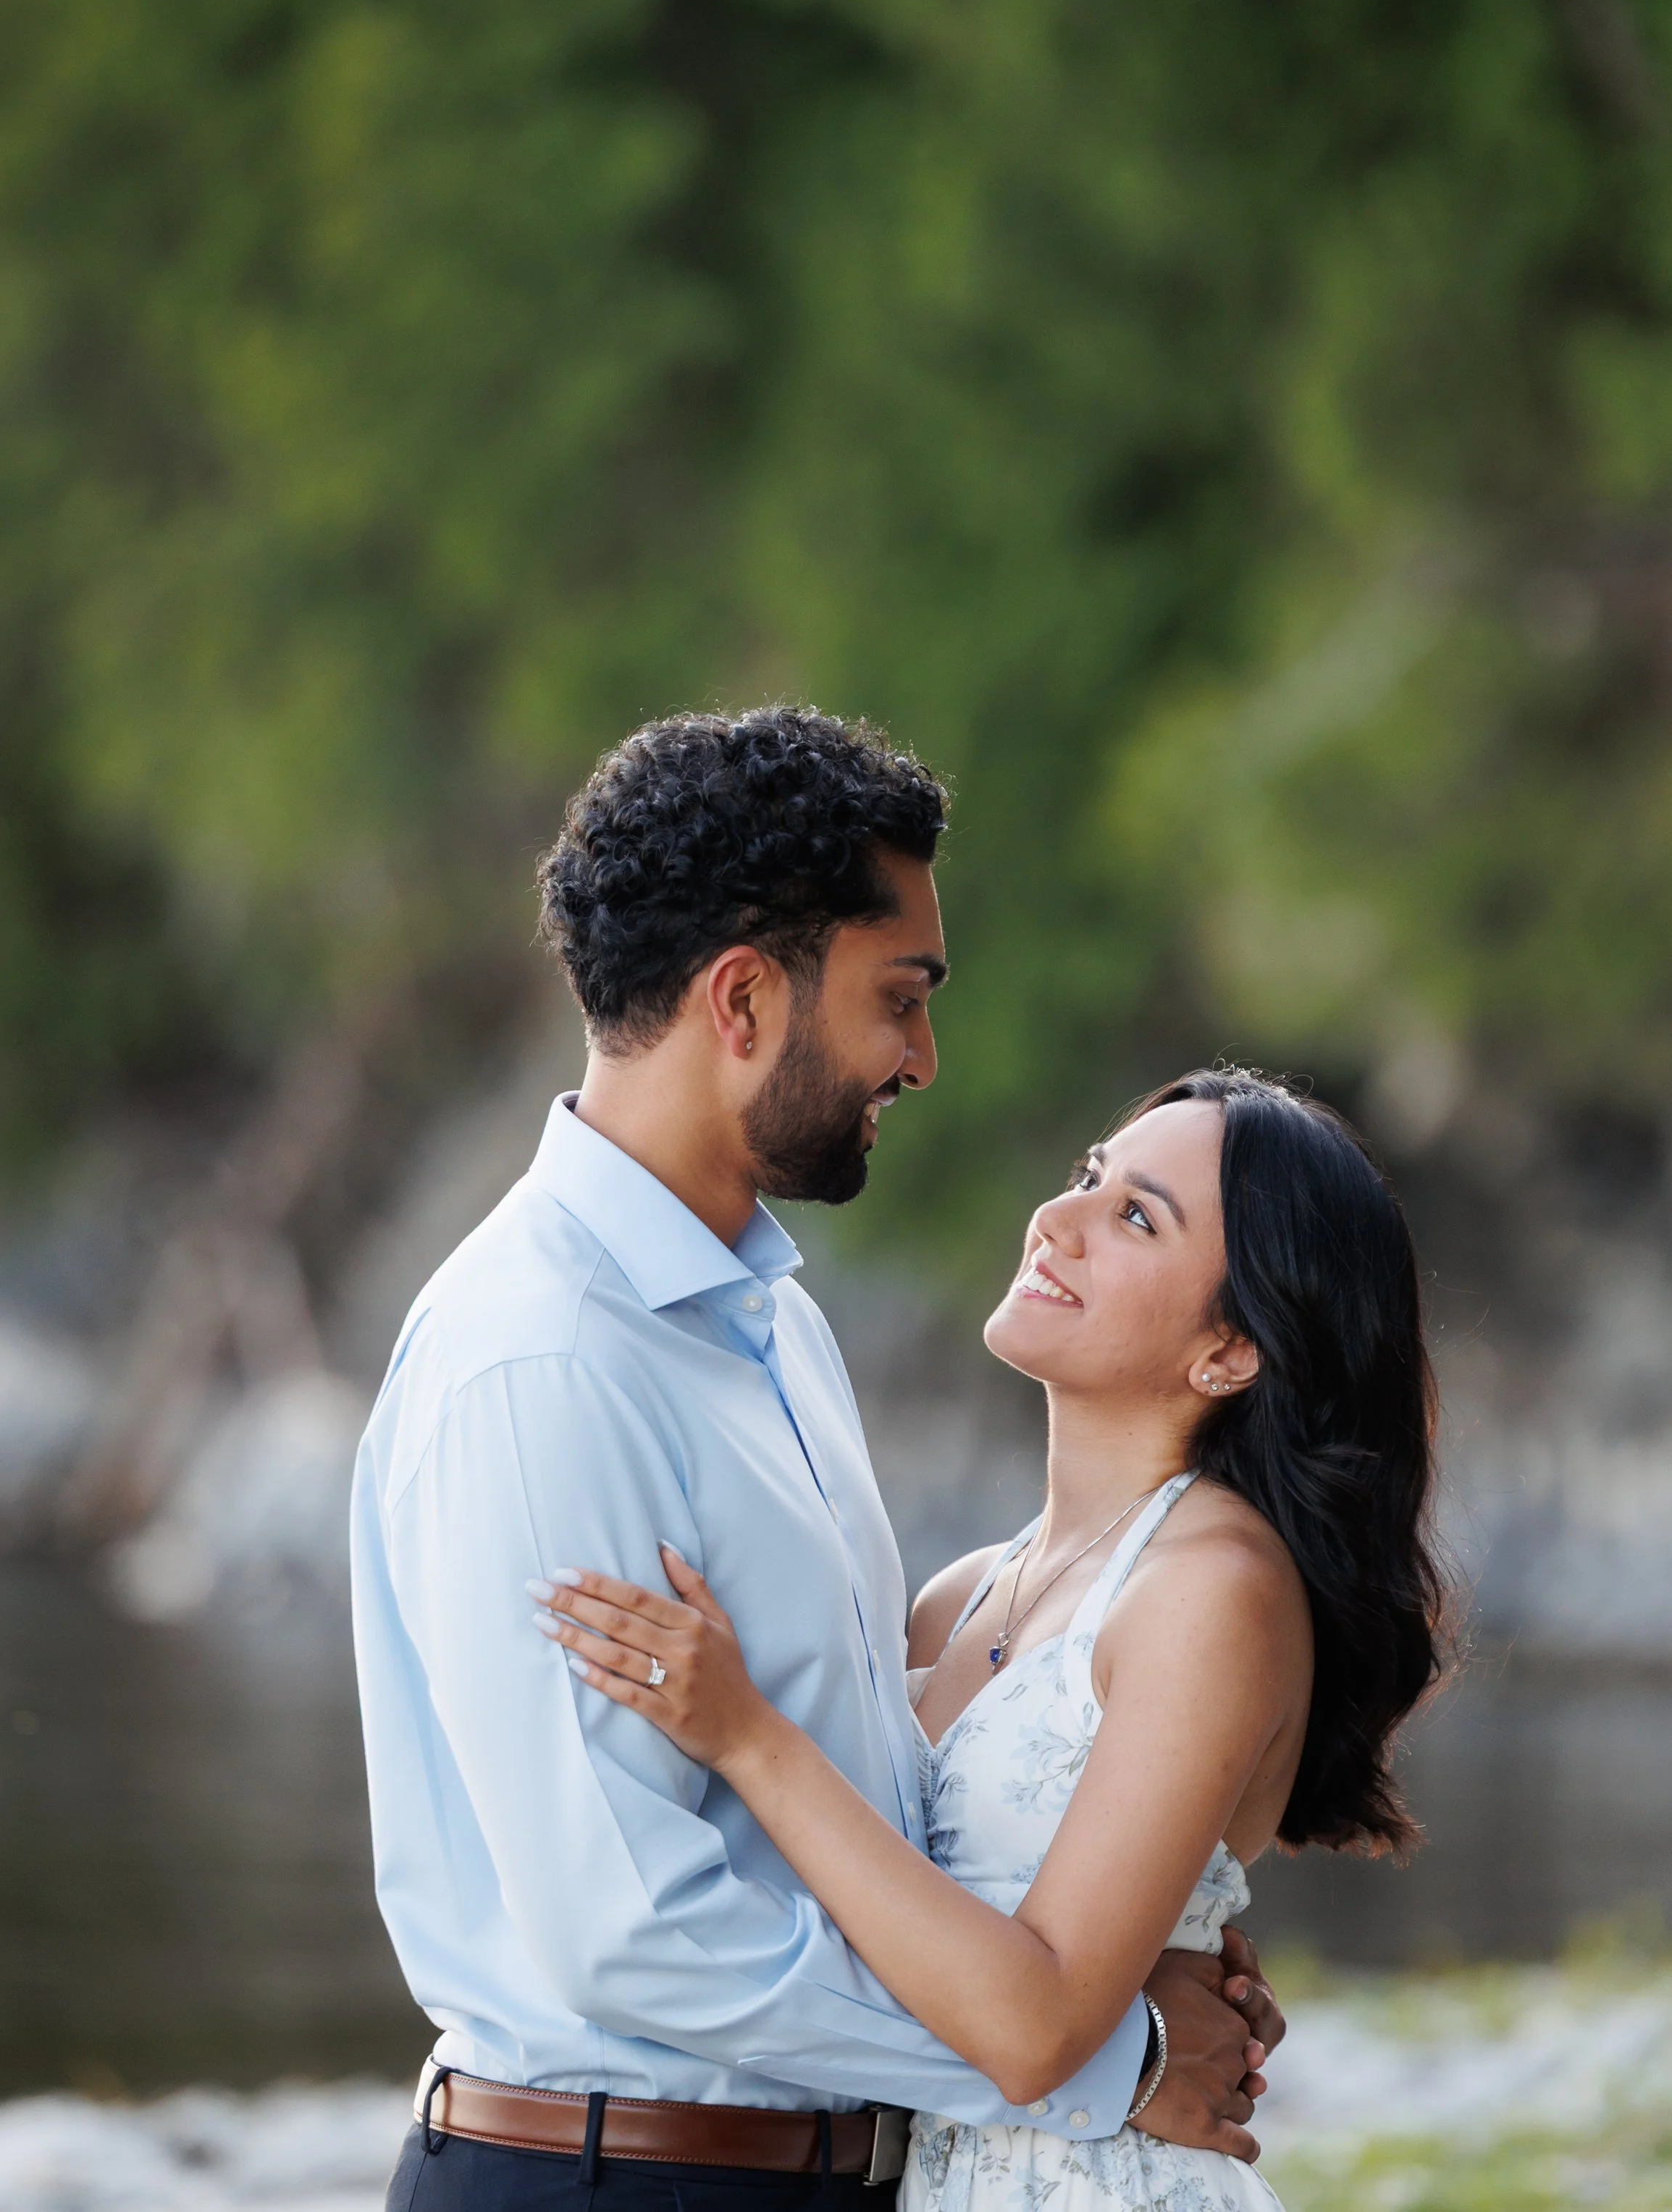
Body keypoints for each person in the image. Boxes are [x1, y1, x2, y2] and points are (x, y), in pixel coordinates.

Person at [352, 708, 1281, 2212]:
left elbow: (868, 1784)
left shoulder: (771, 1329)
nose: (919, 1057)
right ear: (738, 1001)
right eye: (895, 999)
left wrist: (1126, 1939)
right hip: (609, 2180)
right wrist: (1086, 2059)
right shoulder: (542, 1360)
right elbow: (625, 1927)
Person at [537, 1068, 1445, 2212]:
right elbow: (891, 1936)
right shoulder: (960, 1596)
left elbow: (1037, 2023)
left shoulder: (1216, 1587)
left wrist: (749, 1735)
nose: (1056, 1221)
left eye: (1134, 1217)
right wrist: (1151, 2019)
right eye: (1086, 1177)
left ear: (1233, 1348)